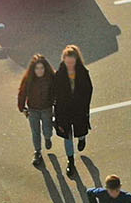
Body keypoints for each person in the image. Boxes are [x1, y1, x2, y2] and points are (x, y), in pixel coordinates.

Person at [51, 44, 95, 179]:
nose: (70, 65)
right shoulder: (59, 74)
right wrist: (56, 110)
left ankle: (82, 138)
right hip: (64, 111)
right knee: (67, 136)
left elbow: (88, 89)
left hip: (78, 109)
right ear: (64, 60)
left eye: (72, 62)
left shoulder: (82, 72)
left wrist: (84, 105)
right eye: (67, 62)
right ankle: (71, 161)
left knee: (80, 130)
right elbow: (55, 92)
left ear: (76, 60)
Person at [17, 54, 56, 168]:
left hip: (46, 109)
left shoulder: (50, 78)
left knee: (47, 129)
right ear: (33, 69)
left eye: (41, 68)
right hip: (33, 109)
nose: (39, 71)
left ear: (45, 68)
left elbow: (55, 92)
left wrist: (55, 104)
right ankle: (37, 152)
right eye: (37, 68)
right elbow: (22, 93)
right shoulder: (28, 79)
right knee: (35, 132)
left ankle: (48, 138)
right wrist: (22, 108)